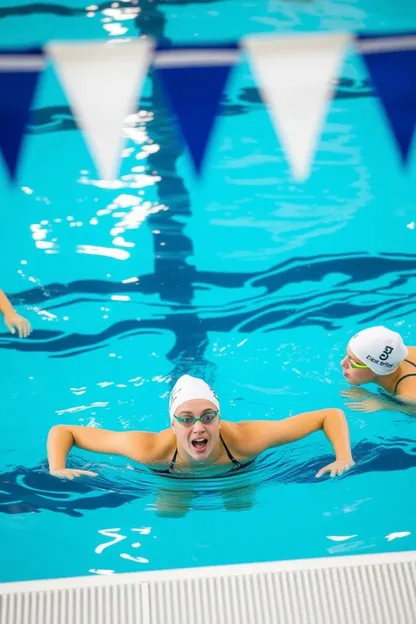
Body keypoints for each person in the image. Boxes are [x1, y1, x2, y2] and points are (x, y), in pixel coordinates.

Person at [47, 374, 354, 481]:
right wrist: (57, 467)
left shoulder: (245, 441)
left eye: (208, 416)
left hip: (238, 470)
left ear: (219, 419)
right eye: (186, 418)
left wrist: (343, 457)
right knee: (170, 514)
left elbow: (329, 415)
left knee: (240, 511)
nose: (198, 427)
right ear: (172, 423)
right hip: (170, 478)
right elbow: (64, 431)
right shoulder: (150, 449)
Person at [340, 326, 416, 415]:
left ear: (376, 369)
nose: (342, 363)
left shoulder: (409, 395)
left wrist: (384, 404)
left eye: (353, 361)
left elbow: (412, 409)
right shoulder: (402, 351)